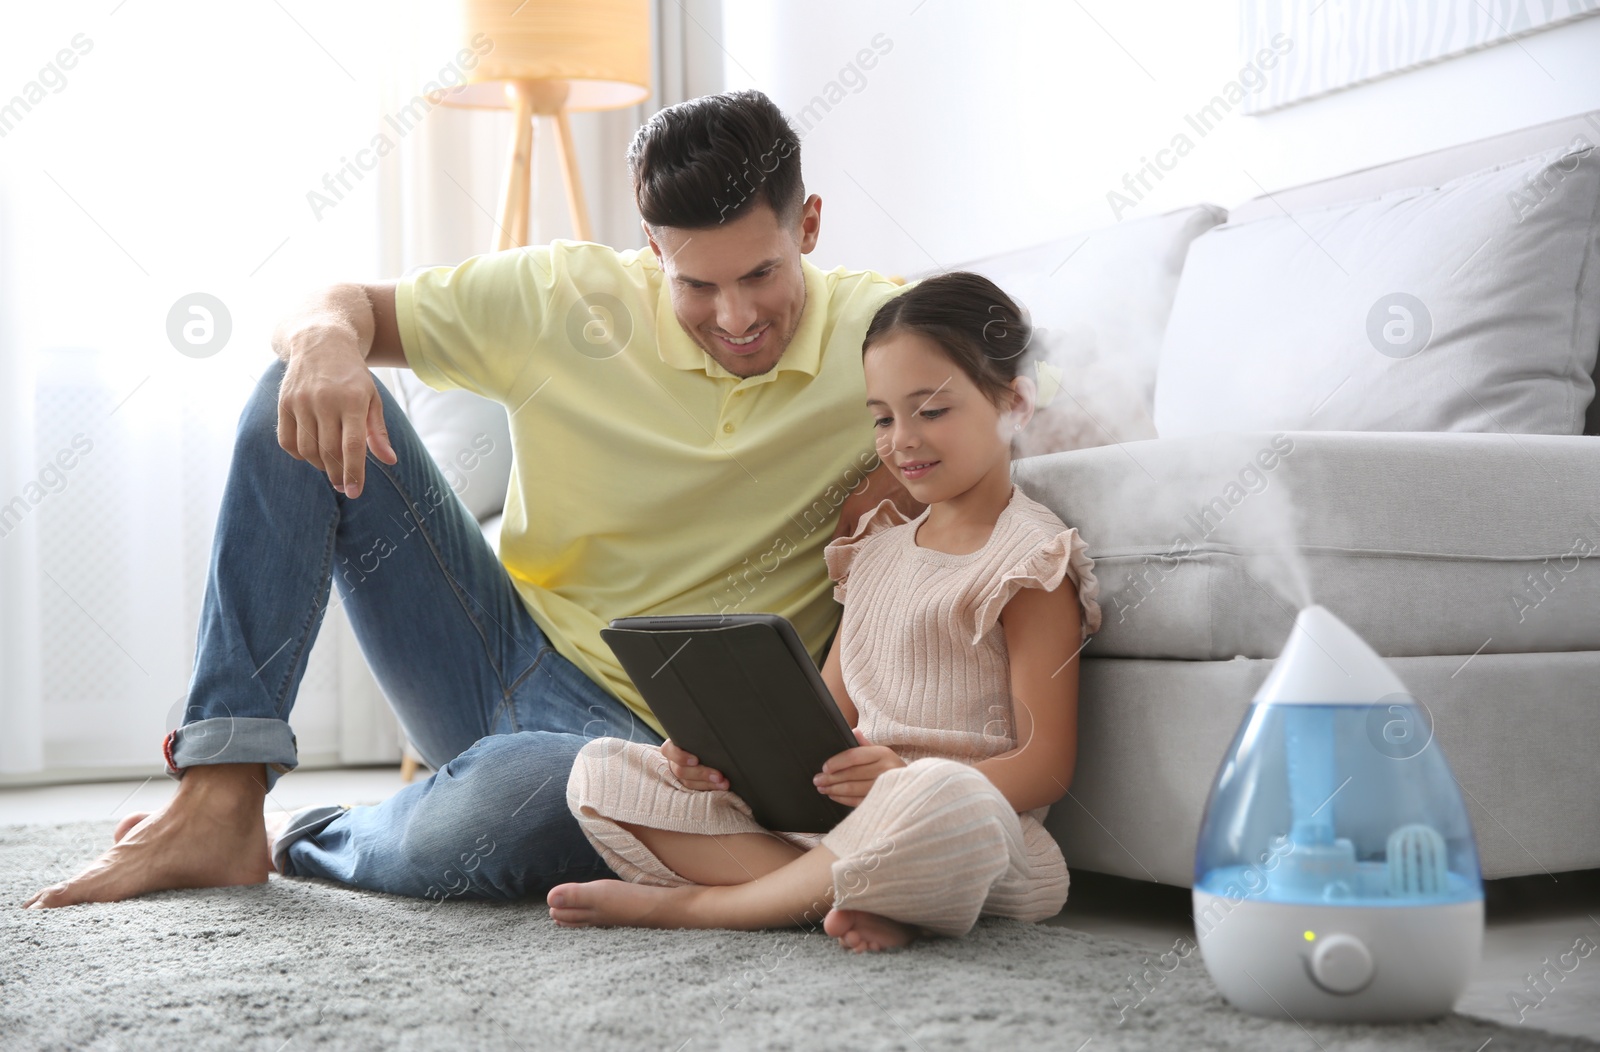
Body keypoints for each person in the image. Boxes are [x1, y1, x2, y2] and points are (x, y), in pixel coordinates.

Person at [20, 90, 922, 910]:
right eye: (697, 284)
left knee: (521, 797)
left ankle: (314, 835)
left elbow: (1016, 381)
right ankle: (220, 797)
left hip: (672, 757)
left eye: (760, 274)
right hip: (495, 657)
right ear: (653, 249)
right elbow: (330, 302)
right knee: (290, 387)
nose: (735, 318)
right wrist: (330, 340)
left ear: (806, 225)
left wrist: (891, 474)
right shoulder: (564, 297)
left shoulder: (890, 339)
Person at [548, 272, 1104, 951]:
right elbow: (825, 719)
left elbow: (1045, 764)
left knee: (936, 796)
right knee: (602, 771)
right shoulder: (874, 550)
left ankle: (706, 907)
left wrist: (903, 779)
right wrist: (717, 756)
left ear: (1014, 404)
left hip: (967, 829)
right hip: (839, 824)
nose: (902, 440)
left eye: (930, 412)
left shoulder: (1031, 560)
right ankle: (851, 895)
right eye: (881, 417)